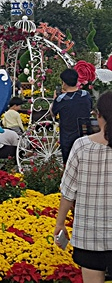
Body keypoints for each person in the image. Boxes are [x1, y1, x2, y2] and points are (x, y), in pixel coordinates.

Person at [55, 91, 112, 281]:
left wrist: (60, 223)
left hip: (89, 236)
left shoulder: (82, 146)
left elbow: (67, 192)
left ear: (98, 115)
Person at [51, 68, 92, 164]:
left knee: (69, 164)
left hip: (68, 137)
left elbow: (53, 113)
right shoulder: (86, 95)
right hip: (85, 135)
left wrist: (54, 99)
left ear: (64, 83)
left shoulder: (61, 99)